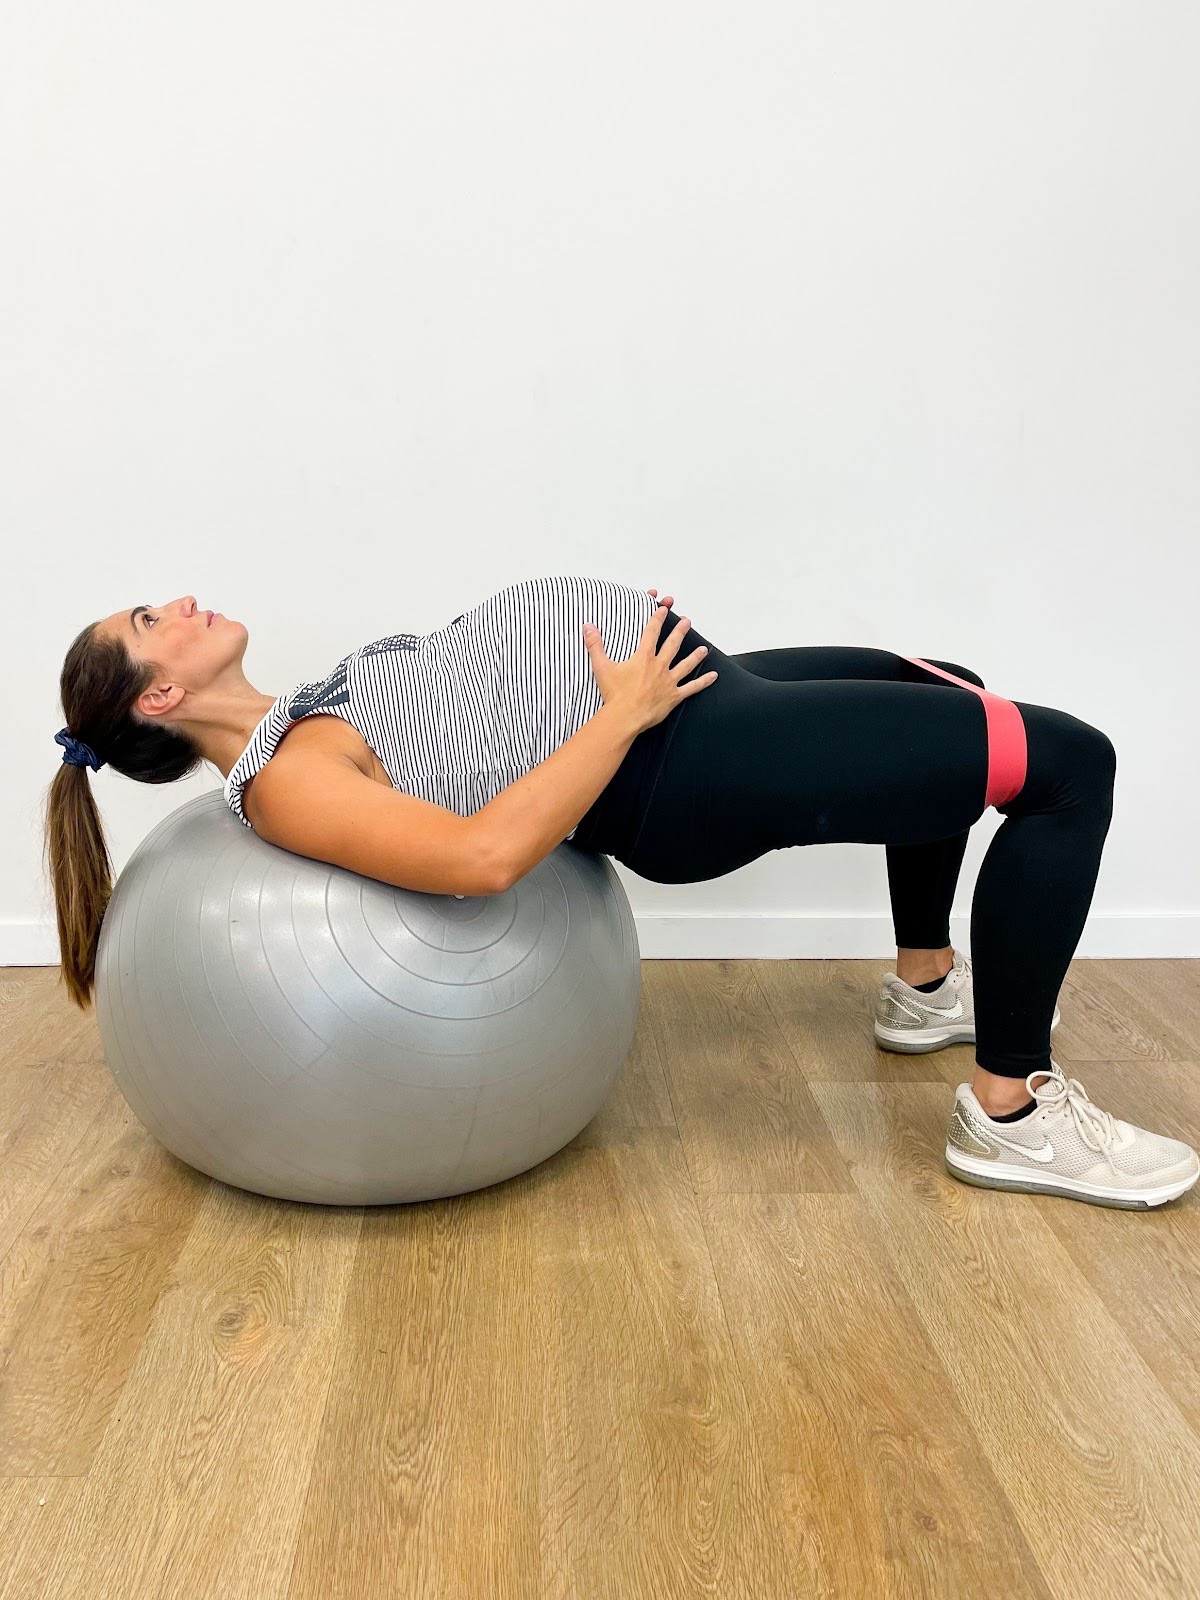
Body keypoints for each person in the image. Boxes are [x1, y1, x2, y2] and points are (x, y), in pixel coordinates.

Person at [44, 575, 1198, 1210]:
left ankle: (926, 988)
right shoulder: (284, 782)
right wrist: (621, 712)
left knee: (956, 686)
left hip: (688, 699)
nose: (182, 599)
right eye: (154, 621)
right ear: (152, 701)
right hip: (682, 762)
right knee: (1065, 762)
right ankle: (1015, 1113)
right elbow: (480, 857)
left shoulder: (300, 712)